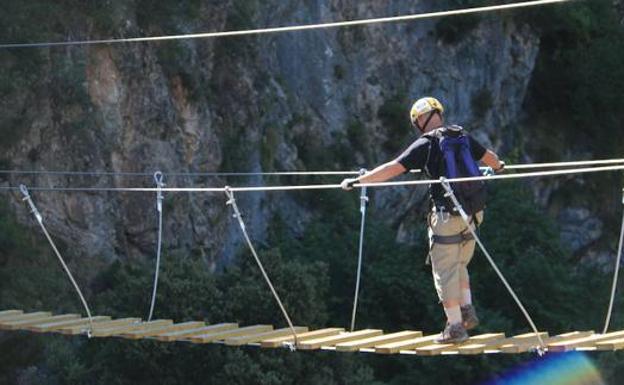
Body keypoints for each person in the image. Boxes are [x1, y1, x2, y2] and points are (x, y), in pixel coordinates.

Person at [340, 97, 504, 343]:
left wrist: (357, 182)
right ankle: (467, 311)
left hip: (447, 215)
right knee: (459, 264)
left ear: (419, 121)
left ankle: (456, 327)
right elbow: (491, 158)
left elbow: (391, 169)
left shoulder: (425, 144)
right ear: (439, 114)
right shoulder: (461, 136)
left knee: (444, 271)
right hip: (473, 214)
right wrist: (499, 166)